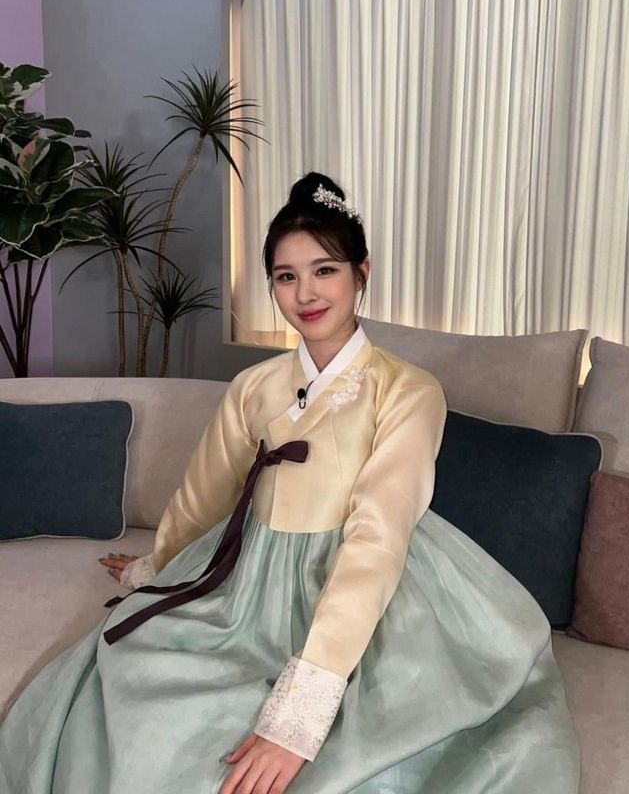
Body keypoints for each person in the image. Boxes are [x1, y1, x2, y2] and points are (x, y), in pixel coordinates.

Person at [0, 172, 580, 793]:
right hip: (249, 585)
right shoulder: (254, 386)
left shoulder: (409, 390)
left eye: (324, 270)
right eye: (285, 276)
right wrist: (157, 566)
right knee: (134, 681)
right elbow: (205, 494)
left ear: (362, 272)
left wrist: (298, 718)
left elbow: (379, 535)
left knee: (371, 755)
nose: (305, 293)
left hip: (365, 582)